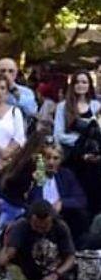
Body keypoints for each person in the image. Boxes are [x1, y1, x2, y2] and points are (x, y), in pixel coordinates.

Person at [53, 71, 101, 215]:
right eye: (77, 82)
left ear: (89, 85)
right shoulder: (63, 106)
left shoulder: (96, 105)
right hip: (72, 159)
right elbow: (59, 135)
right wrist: (82, 139)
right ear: (72, 85)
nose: (81, 85)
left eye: (84, 82)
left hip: (94, 161)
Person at [0, 200, 76, 280]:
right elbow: (6, 257)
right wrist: (7, 245)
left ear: (52, 220)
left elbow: (70, 258)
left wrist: (56, 274)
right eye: (36, 226)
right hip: (31, 272)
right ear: (30, 219)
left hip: (54, 271)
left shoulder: (60, 227)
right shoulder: (21, 225)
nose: (40, 230)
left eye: (44, 227)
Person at [27, 143, 89, 243]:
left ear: (61, 160)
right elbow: (33, 202)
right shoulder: (34, 175)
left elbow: (81, 200)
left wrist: (62, 203)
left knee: (80, 215)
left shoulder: (66, 174)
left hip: (61, 216)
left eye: (56, 158)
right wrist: (38, 180)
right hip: (39, 217)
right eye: (48, 158)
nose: (51, 162)